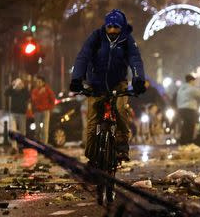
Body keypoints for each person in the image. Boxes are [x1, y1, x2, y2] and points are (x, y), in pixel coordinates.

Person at [69, 9, 146, 162]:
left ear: (122, 27)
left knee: (120, 110)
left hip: (118, 84)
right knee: (92, 122)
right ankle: (91, 157)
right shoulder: (96, 37)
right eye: (109, 26)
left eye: (116, 27)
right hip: (95, 85)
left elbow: (135, 60)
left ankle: (122, 147)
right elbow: (83, 57)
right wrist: (77, 79)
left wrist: (138, 80)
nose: (112, 30)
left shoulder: (127, 41)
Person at [176, 74, 200, 144]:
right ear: (191, 81)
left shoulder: (181, 89)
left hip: (181, 109)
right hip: (189, 109)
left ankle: (183, 141)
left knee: (185, 125)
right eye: (194, 81)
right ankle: (188, 142)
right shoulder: (191, 88)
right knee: (190, 125)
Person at [4, 78, 30, 149]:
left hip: (22, 113)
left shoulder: (24, 91)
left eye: (19, 84)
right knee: (13, 130)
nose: (18, 86)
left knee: (22, 131)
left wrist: (24, 87)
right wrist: (11, 85)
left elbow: (28, 96)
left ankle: (22, 146)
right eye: (17, 84)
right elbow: (5, 93)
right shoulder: (12, 90)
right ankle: (14, 147)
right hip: (13, 113)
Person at [30, 75, 55, 143]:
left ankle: (45, 145)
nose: (38, 83)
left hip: (45, 111)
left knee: (44, 130)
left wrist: (50, 109)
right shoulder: (34, 91)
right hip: (37, 112)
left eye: (39, 82)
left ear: (43, 82)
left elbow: (52, 100)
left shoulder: (48, 90)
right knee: (37, 130)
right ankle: (38, 144)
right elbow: (33, 100)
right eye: (37, 82)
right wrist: (40, 93)